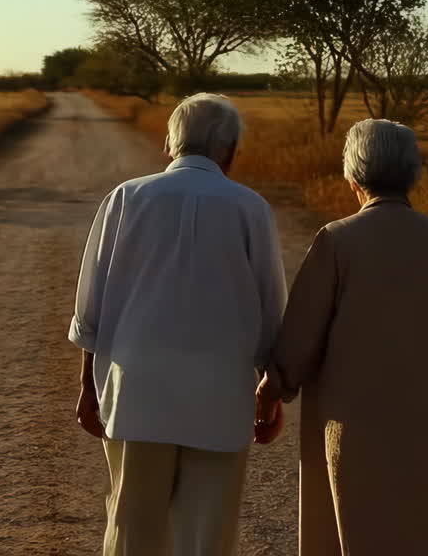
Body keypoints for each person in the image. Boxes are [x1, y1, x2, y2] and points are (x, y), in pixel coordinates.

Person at [254, 118, 428, 556]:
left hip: (353, 420)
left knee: (352, 532)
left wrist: (270, 392)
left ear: (352, 177)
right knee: (419, 530)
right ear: (414, 173)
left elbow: (298, 339)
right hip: (427, 420)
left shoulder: (337, 241)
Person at [69, 93, 287, 556]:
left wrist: (89, 384)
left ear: (169, 145)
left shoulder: (126, 197)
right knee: (208, 532)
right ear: (229, 151)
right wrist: (270, 388)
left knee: (134, 525)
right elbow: (271, 306)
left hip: (135, 391)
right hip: (221, 393)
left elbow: (92, 306)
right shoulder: (250, 207)